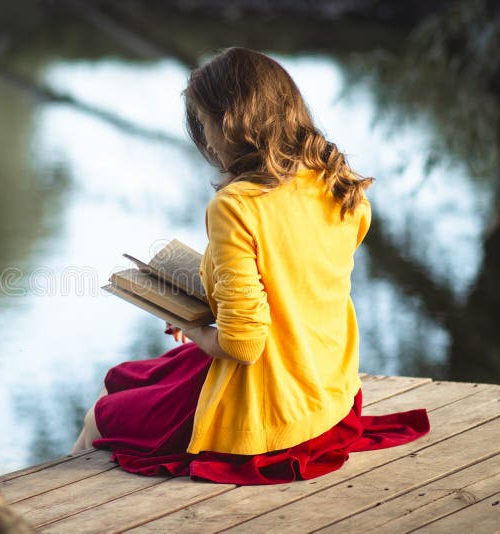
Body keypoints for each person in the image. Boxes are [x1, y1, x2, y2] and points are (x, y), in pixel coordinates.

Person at [71, 47, 430, 484]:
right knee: (122, 380)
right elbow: (295, 283)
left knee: (101, 414)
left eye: (204, 125)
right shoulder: (336, 181)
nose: (204, 140)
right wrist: (211, 311)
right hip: (325, 393)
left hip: (267, 416)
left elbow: (244, 346)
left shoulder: (235, 207)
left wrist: (198, 328)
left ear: (230, 124)